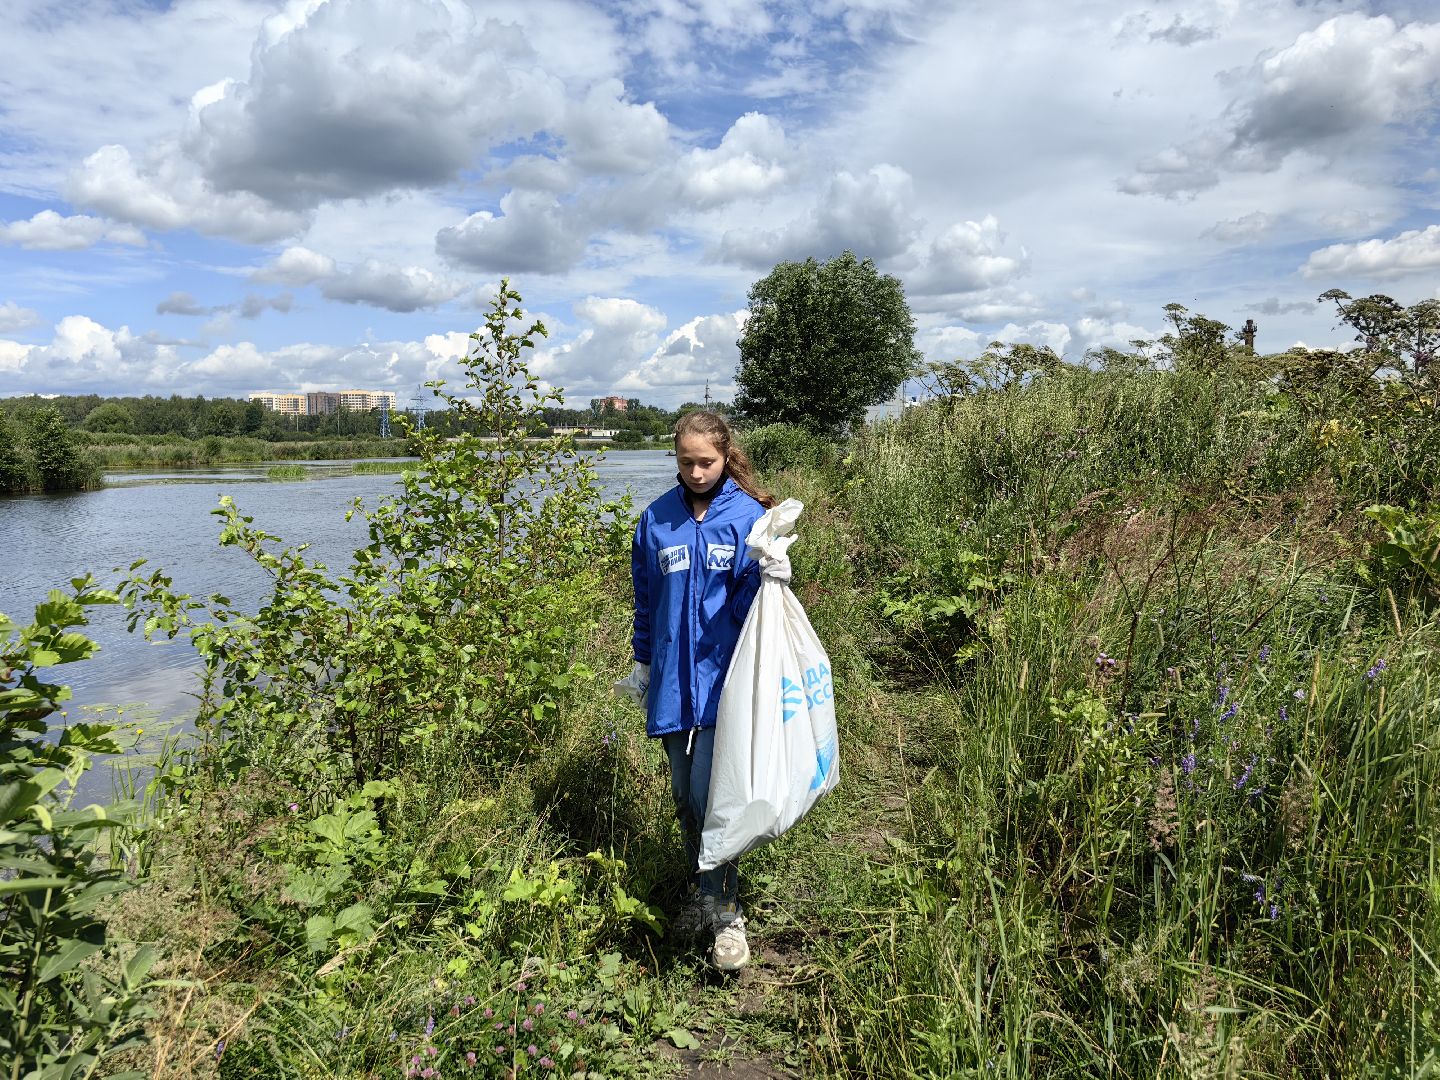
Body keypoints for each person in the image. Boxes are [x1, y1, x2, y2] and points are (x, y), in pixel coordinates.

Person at [613, 410, 791, 973]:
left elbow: (752, 610)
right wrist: (643, 665)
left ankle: (727, 914)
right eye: (686, 461)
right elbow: (646, 601)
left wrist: (771, 573)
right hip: (669, 686)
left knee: (715, 799)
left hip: (725, 683)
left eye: (706, 462)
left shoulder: (748, 517)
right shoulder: (656, 520)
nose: (695, 472)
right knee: (684, 798)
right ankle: (704, 890)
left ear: (725, 455)